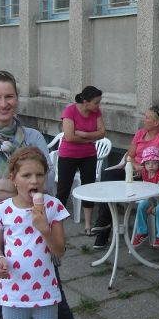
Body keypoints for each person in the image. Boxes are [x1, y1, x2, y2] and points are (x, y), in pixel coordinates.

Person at [0, 70, 82, 319]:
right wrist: (24, 189)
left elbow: (46, 184)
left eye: (9, 96)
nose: (3, 103)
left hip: (39, 237)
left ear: (17, 98)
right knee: (1, 311)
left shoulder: (33, 137)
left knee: (56, 305)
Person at [0, 146, 69, 319]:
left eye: (39, 175)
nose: (34, 181)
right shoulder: (2, 210)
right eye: (26, 175)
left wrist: (44, 229)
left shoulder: (53, 206)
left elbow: (59, 251)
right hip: (13, 290)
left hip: (45, 290)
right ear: (13, 179)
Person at [93, 105, 159, 249]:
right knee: (107, 175)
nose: (144, 120)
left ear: (156, 122)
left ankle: (103, 232)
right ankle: (103, 224)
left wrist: (147, 169)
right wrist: (137, 166)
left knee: (111, 182)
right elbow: (129, 155)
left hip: (150, 176)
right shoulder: (140, 133)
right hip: (133, 171)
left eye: (147, 118)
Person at [56, 86, 105, 235]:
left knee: (88, 188)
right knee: (63, 190)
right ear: (85, 102)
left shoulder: (96, 112)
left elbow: (102, 133)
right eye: (96, 102)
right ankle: (56, 225)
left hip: (89, 155)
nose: (98, 105)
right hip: (68, 155)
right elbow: (69, 136)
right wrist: (90, 139)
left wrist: (83, 134)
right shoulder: (70, 111)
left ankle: (88, 225)